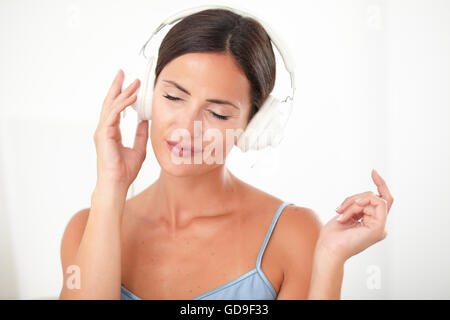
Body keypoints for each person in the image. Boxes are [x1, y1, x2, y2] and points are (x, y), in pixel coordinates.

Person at [58, 9, 394, 300]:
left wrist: (330, 260)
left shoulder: (295, 234)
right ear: (148, 95)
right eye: (174, 97)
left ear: (254, 128)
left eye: (217, 114)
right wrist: (111, 187)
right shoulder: (85, 228)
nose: (187, 126)